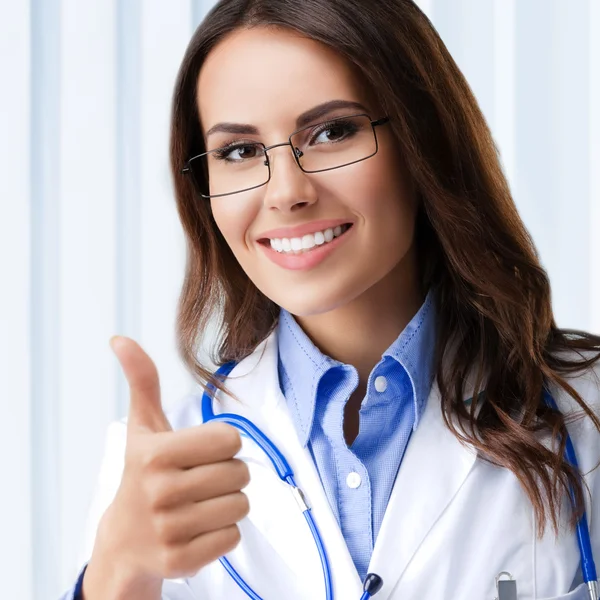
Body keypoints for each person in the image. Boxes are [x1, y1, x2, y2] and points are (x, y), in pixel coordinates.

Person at [60, 0, 600, 598]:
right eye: (239, 151)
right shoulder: (156, 468)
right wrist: (115, 575)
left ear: (425, 140)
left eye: (332, 131)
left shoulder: (587, 416)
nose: (286, 191)